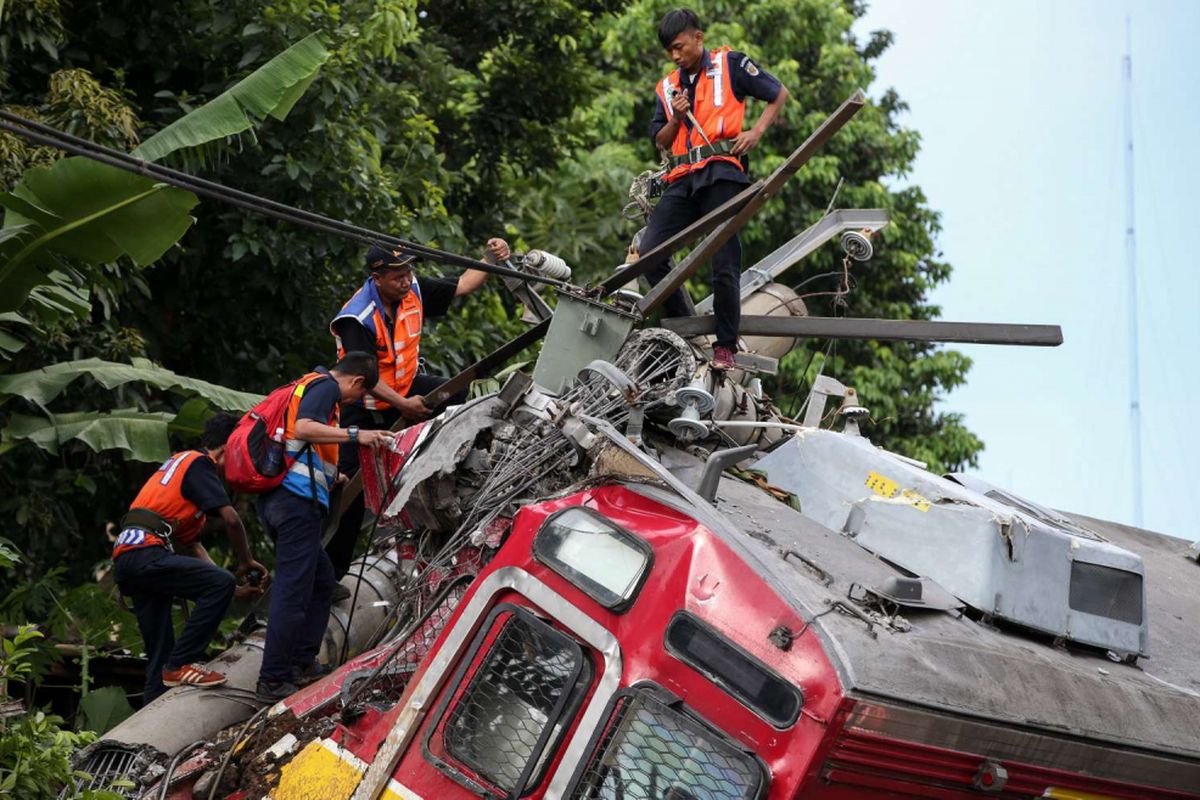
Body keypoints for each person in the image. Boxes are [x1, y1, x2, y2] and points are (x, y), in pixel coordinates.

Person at [324, 237, 510, 582]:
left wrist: (489, 258)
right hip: (362, 406)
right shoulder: (357, 317)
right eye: (397, 276)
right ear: (376, 279)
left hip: (406, 388)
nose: (406, 281)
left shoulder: (414, 291)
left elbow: (464, 284)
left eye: (408, 272)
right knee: (348, 490)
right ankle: (331, 574)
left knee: (462, 397)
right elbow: (361, 375)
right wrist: (402, 406)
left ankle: (464, 478)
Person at [643, 8, 789, 369]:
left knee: (723, 261)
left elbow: (777, 93)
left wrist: (755, 132)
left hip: (722, 171)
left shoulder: (730, 65)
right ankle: (685, 325)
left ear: (698, 38)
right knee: (650, 253)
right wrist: (676, 117)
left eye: (680, 47)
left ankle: (726, 344)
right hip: (682, 179)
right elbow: (659, 140)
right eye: (670, 51)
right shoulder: (667, 86)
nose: (676, 56)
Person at [255, 352, 394, 703]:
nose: (350, 403)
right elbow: (302, 428)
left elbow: (296, 444)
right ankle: (272, 679)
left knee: (321, 582)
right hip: (294, 506)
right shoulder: (326, 386)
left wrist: (334, 475)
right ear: (357, 382)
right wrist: (356, 434)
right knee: (292, 591)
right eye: (356, 396)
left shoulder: (305, 387)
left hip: (280, 502)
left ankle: (303, 661)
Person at [112, 413, 268, 704]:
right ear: (228, 449)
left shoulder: (184, 475)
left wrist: (231, 589)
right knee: (171, 659)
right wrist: (245, 561)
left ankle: (150, 722)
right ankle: (181, 664)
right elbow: (232, 520)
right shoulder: (199, 463)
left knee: (158, 656)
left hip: (131, 558)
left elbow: (191, 547)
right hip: (145, 552)